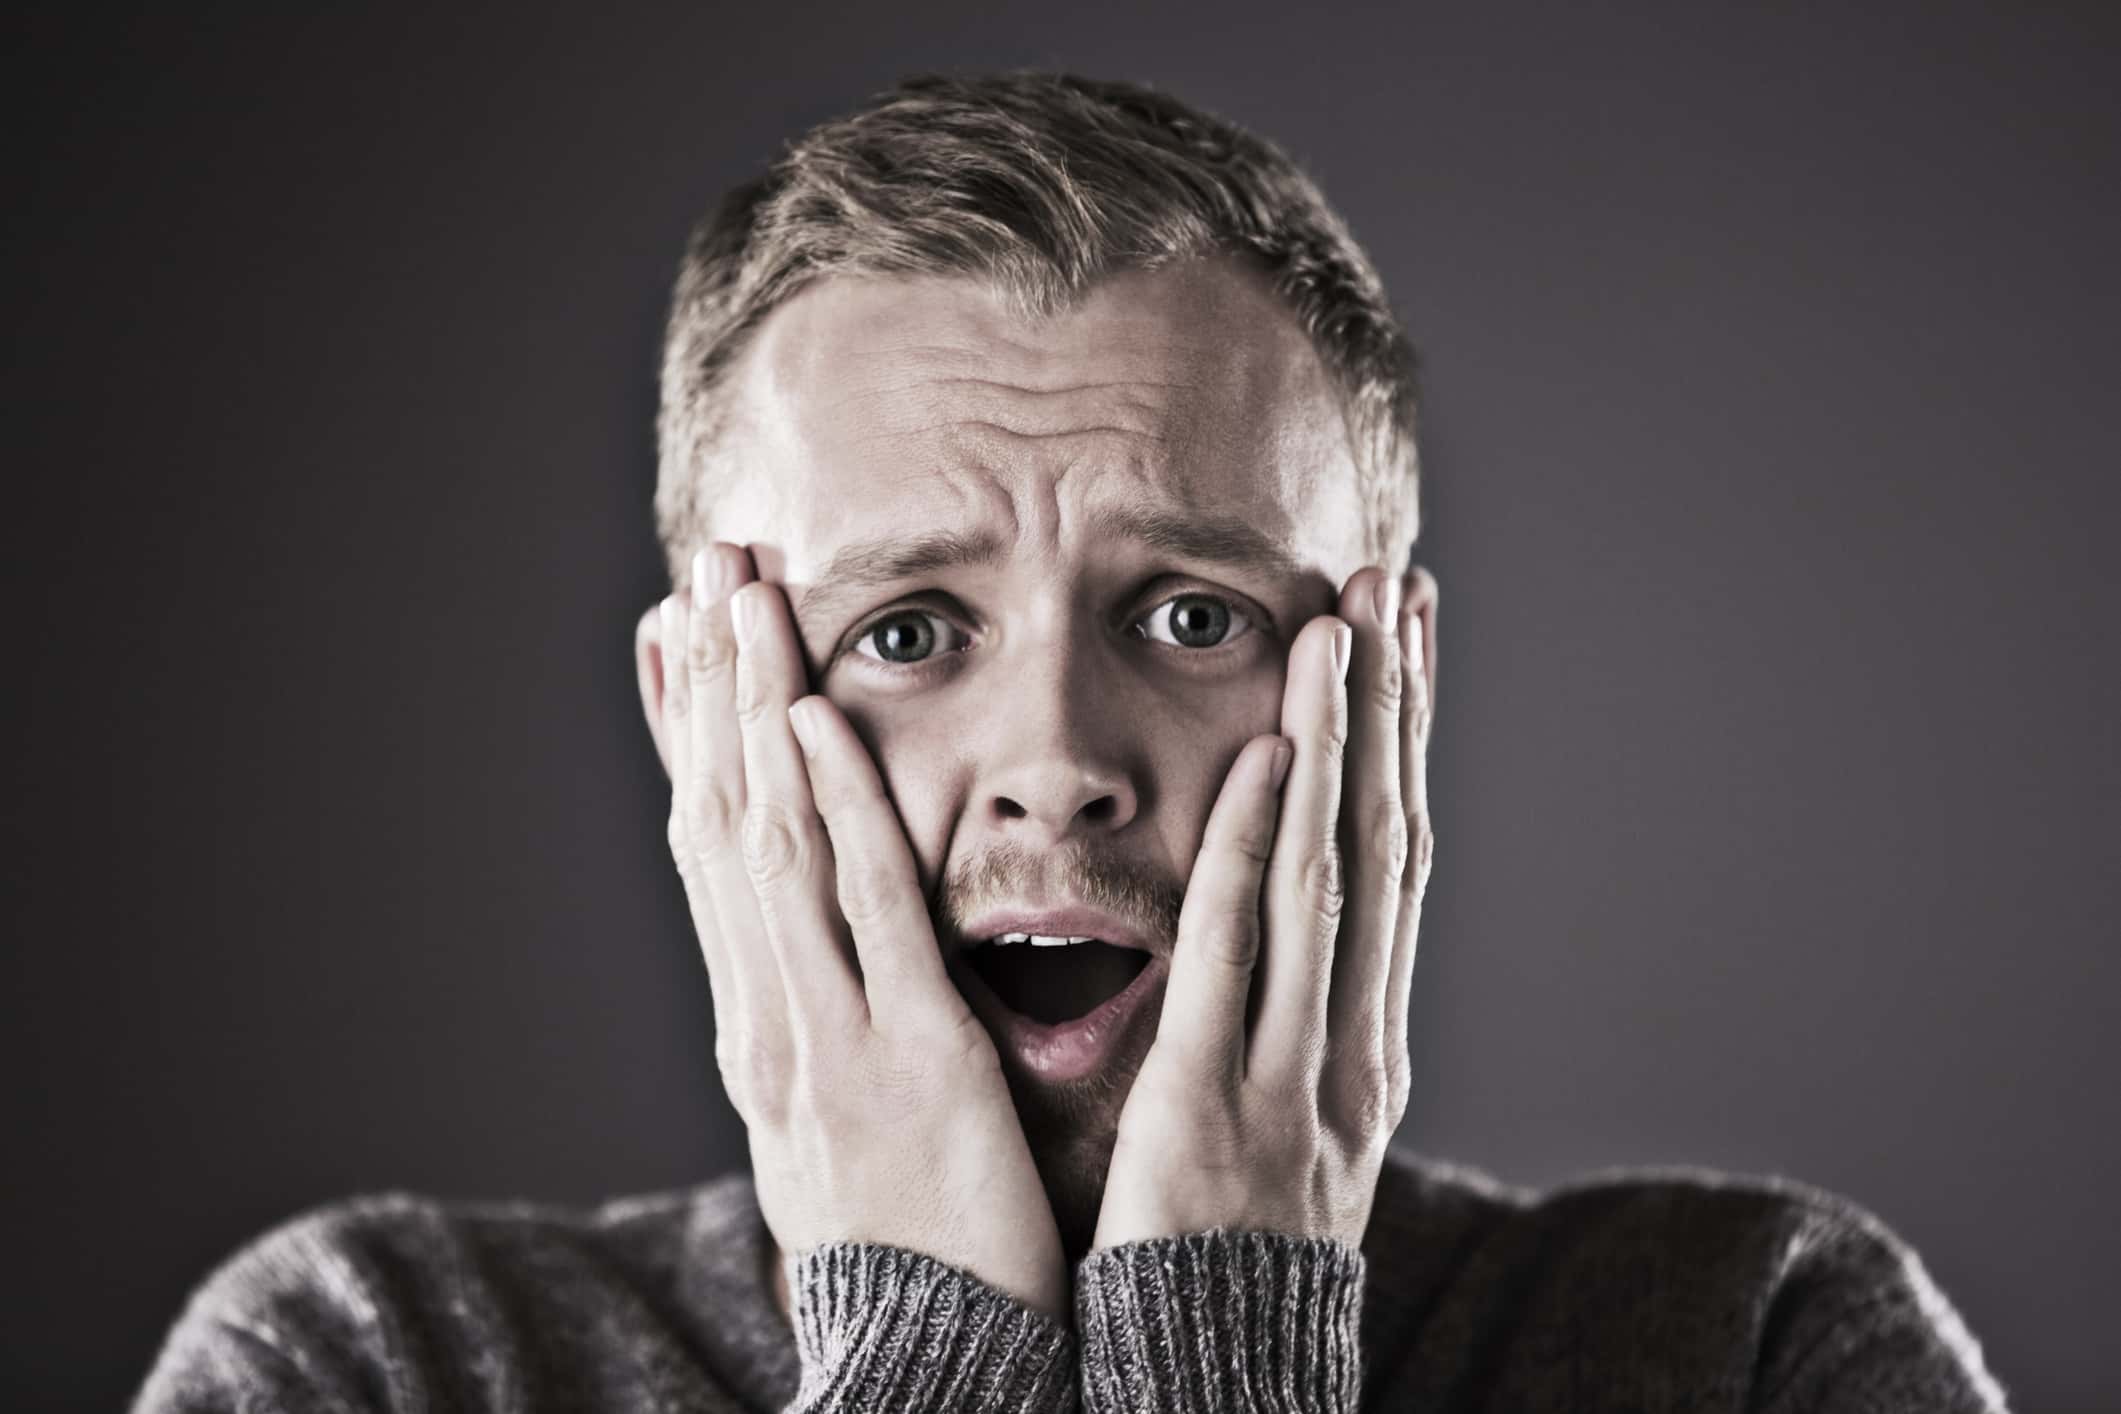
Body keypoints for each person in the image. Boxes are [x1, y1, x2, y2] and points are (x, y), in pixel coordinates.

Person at [132, 70, 2009, 1413]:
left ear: (1391, 691)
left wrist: (1227, 1346)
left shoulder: (1754, 1338)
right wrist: (922, 1357)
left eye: (1190, 614)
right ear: (699, 714)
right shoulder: (369, 1356)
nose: (1054, 757)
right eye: (905, 630)